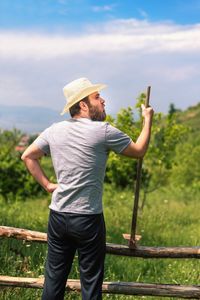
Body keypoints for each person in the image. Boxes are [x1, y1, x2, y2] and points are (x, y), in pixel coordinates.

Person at [21, 77, 154, 300]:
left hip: (58, 216)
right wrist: (147, 120)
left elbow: (28, 156)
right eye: (96, 97)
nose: (103, 101)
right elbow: (139, 150)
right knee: (91, 285)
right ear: (83, 105)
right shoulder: (102, 131)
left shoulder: (54, 130)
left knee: (53, 282)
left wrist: (47, 185)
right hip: (87, 219)